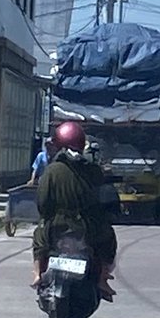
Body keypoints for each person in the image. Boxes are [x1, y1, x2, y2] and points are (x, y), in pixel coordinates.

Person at [31, 121, 117, 298]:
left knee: (40, 238)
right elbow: (105, 200)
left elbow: (42, 203)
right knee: (108, 239)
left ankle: (37, 274)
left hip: (57, 226)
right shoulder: (93, 170)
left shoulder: (51, 170)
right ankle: (102, 279)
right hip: (88, 227)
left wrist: (48, 217)